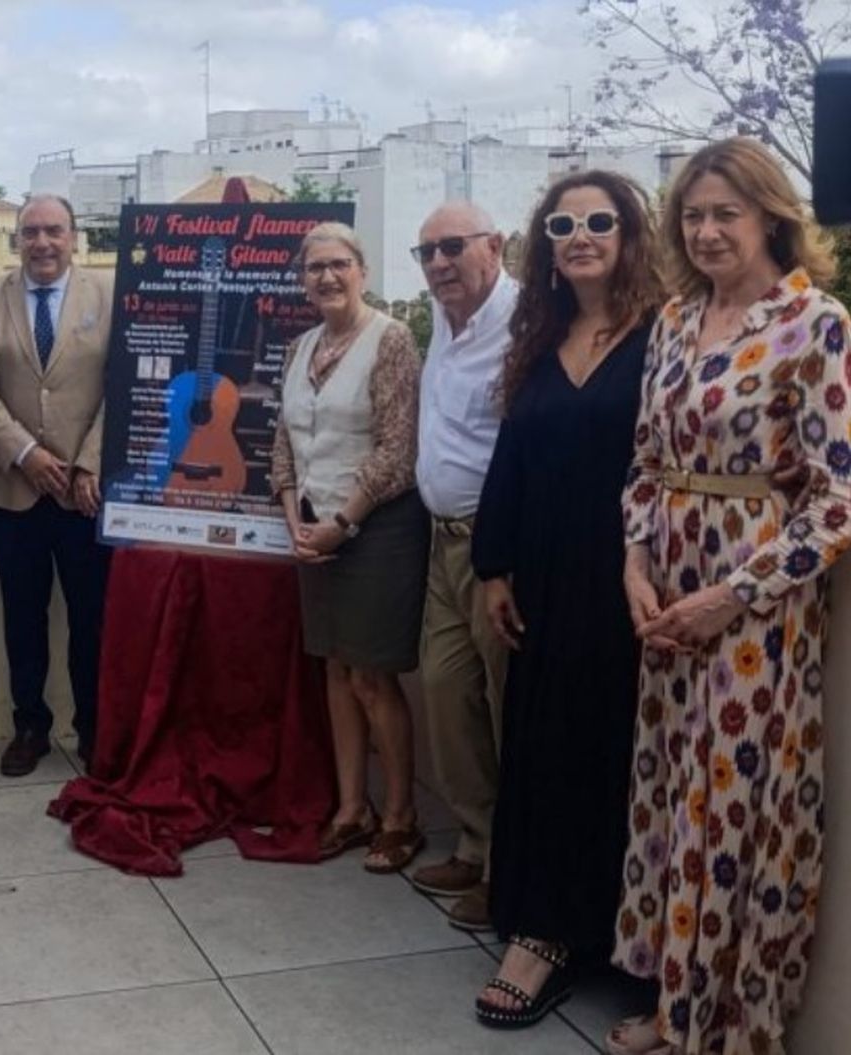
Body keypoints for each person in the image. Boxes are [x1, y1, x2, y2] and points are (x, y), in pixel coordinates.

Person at [607, 137, 851, 1055]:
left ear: (771, 217)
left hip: (752, 610)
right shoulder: (674, 319)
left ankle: (726, 1023)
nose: (706, 232)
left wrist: (731, 594)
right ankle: (677, 1007)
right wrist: (635, 565)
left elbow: (838, 498)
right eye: (693, 216)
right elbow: (644, 462)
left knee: (736, 811)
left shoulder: (816, 321)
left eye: (726, 215)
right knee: (674, 798)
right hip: (665, 590)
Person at [467, 171, 662, 1028]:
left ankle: (629, 939)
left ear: (630, 234)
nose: (579, 235)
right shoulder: (539, 337)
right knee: (546, 750)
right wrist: (494, 566)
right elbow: (511, 457)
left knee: (626, 760)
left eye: (599, 221)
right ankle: (543, 933)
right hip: (545, 579)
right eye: (561, 224)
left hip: (633, 580)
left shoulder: (666, 335)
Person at [270, 223, 428, 874]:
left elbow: (398, 448)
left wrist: (344, 521)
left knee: (371, 675)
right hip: (313, 527)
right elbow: (284, 439)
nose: (327, 278)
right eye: (314, 268)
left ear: (362, 269)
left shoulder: (390, 340)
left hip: (378, 528)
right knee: (334, 668)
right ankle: (349, 807)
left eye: (339, 265)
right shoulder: (300, 345)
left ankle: (400, 816)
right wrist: (293, 517)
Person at [0, 195, 111, 775]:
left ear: (74, 237)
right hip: (15, 490)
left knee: (90, 617)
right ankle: (30, 726)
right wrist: (27, 455)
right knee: (21, 616)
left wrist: (89, 463)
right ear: (16, 239)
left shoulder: (108, 296)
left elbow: (121, 387)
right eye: (31, 232)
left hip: (85, 492)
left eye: (54, 231)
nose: (42, 243)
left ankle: (94, 727)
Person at [407, 202, 517, 931]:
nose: (439, 263)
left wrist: (503, 553)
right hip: (440, 541)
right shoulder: (443, 323)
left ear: (494, 246)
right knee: (447, 695)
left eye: (453, 247)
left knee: (510, 708)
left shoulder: (526, 323)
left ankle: (513, 870)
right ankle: (476, 844)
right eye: (426, 253)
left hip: (497, 547)